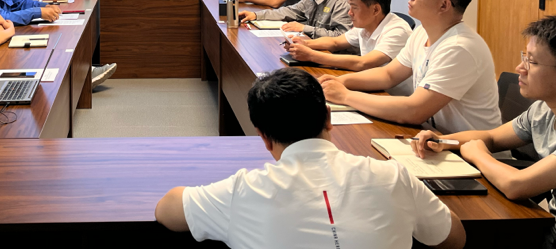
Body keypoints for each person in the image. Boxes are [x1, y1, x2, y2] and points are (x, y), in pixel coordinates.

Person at [155, 68, 465, 249]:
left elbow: (167, 209)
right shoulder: (393, 176)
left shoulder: (243, 190)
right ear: (328, 117)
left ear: (262, 137)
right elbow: (454, 237)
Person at [411, 16, 556, 249]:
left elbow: (516, 185)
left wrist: (478, 154)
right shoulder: (543, 110)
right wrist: (443, 141)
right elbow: (492, 137)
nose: (520, 68)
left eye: (532, 62)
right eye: (524, 58)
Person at [319, 0, 502, 134]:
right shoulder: (422, 32)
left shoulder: (459, 47)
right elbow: (388, 75)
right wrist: (340, 82)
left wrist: (345, 96)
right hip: (432, 138)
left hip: (466, 149)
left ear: (444, 5)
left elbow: (414, 111)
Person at [284, 0, 412, 71]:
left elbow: (364, 63)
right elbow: (335, 42)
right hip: (369, 83)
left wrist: (311, 55)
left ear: (375, 10)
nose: (349, 13)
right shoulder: (365, 24)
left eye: (354, 7)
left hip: (390, 94)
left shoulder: (397, 30)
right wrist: (305, 44)